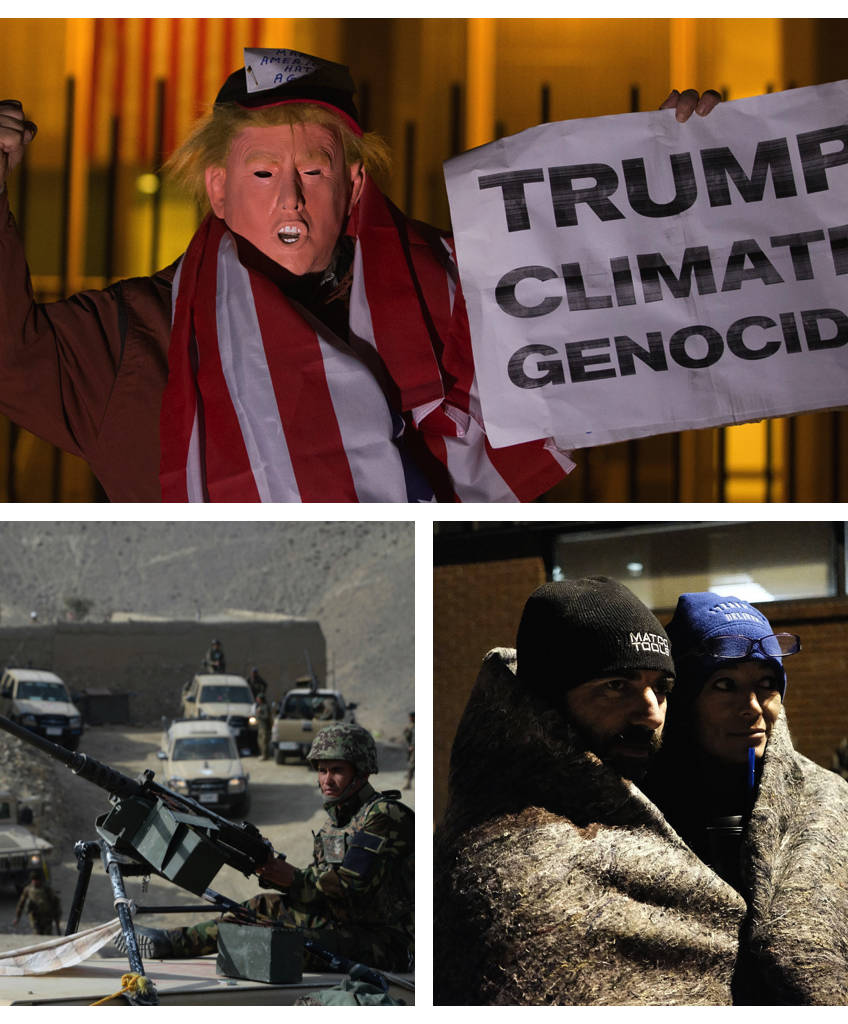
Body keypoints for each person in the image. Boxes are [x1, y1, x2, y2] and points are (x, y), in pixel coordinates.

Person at [0, 51, 717, 503]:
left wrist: (659, 177)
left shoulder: (469, 293)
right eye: (262, 173)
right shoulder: (130, 340)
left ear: (353, 184)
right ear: (218, 191)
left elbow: (609, 311)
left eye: (313, 170)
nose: (290, 198)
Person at [433, 577, 749, 1006]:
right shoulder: (508, 864)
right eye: (616, 685)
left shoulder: (644, 799)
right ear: (547, 698)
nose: (651, 713)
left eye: (661, 687)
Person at [643, 592, 848, 1005]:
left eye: (766, 685)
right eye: (725, 685)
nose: (753, 707)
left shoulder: (831, 802)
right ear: (683, 701)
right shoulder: (637, 808)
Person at [118, 722, 414, 973]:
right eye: (322, 770)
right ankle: (171, 943)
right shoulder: (335, 823)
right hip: (341, 922)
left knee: (281, 940)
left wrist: (294, 878)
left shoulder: (385, 815)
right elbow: (321, 885)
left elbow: (353, 883)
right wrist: (273, 872)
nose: (326, 780)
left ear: (362, 773)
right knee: (259, 907)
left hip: (385, 941)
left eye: (336, 770)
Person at [13, 870, 61, 935]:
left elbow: (55, 904)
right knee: (37, 935)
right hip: (35, 917)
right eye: (33, 880)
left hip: (47, 917)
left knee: (47, 936)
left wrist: (57, 919)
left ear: (39, 880)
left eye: (36, 880)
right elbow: (21, 904)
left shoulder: (47, 889)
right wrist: (17, 917)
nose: (35, 882)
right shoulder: (28, 889)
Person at [254, 692, 272, 760]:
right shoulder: (259, 706)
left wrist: (260, 714)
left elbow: (266, 716)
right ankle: (262, 754)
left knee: (264, 742)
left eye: (258, 698)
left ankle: (265, 755)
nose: (257, 699)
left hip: (265, 727)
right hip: (260, 726)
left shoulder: (265, 706)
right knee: (259, 741)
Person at [402, 711, 414, 790]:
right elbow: (408, 736)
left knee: (411, 765)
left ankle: (408, 783)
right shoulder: (411, 725)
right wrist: (405, 731)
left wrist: (412, 745)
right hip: (412, 748)